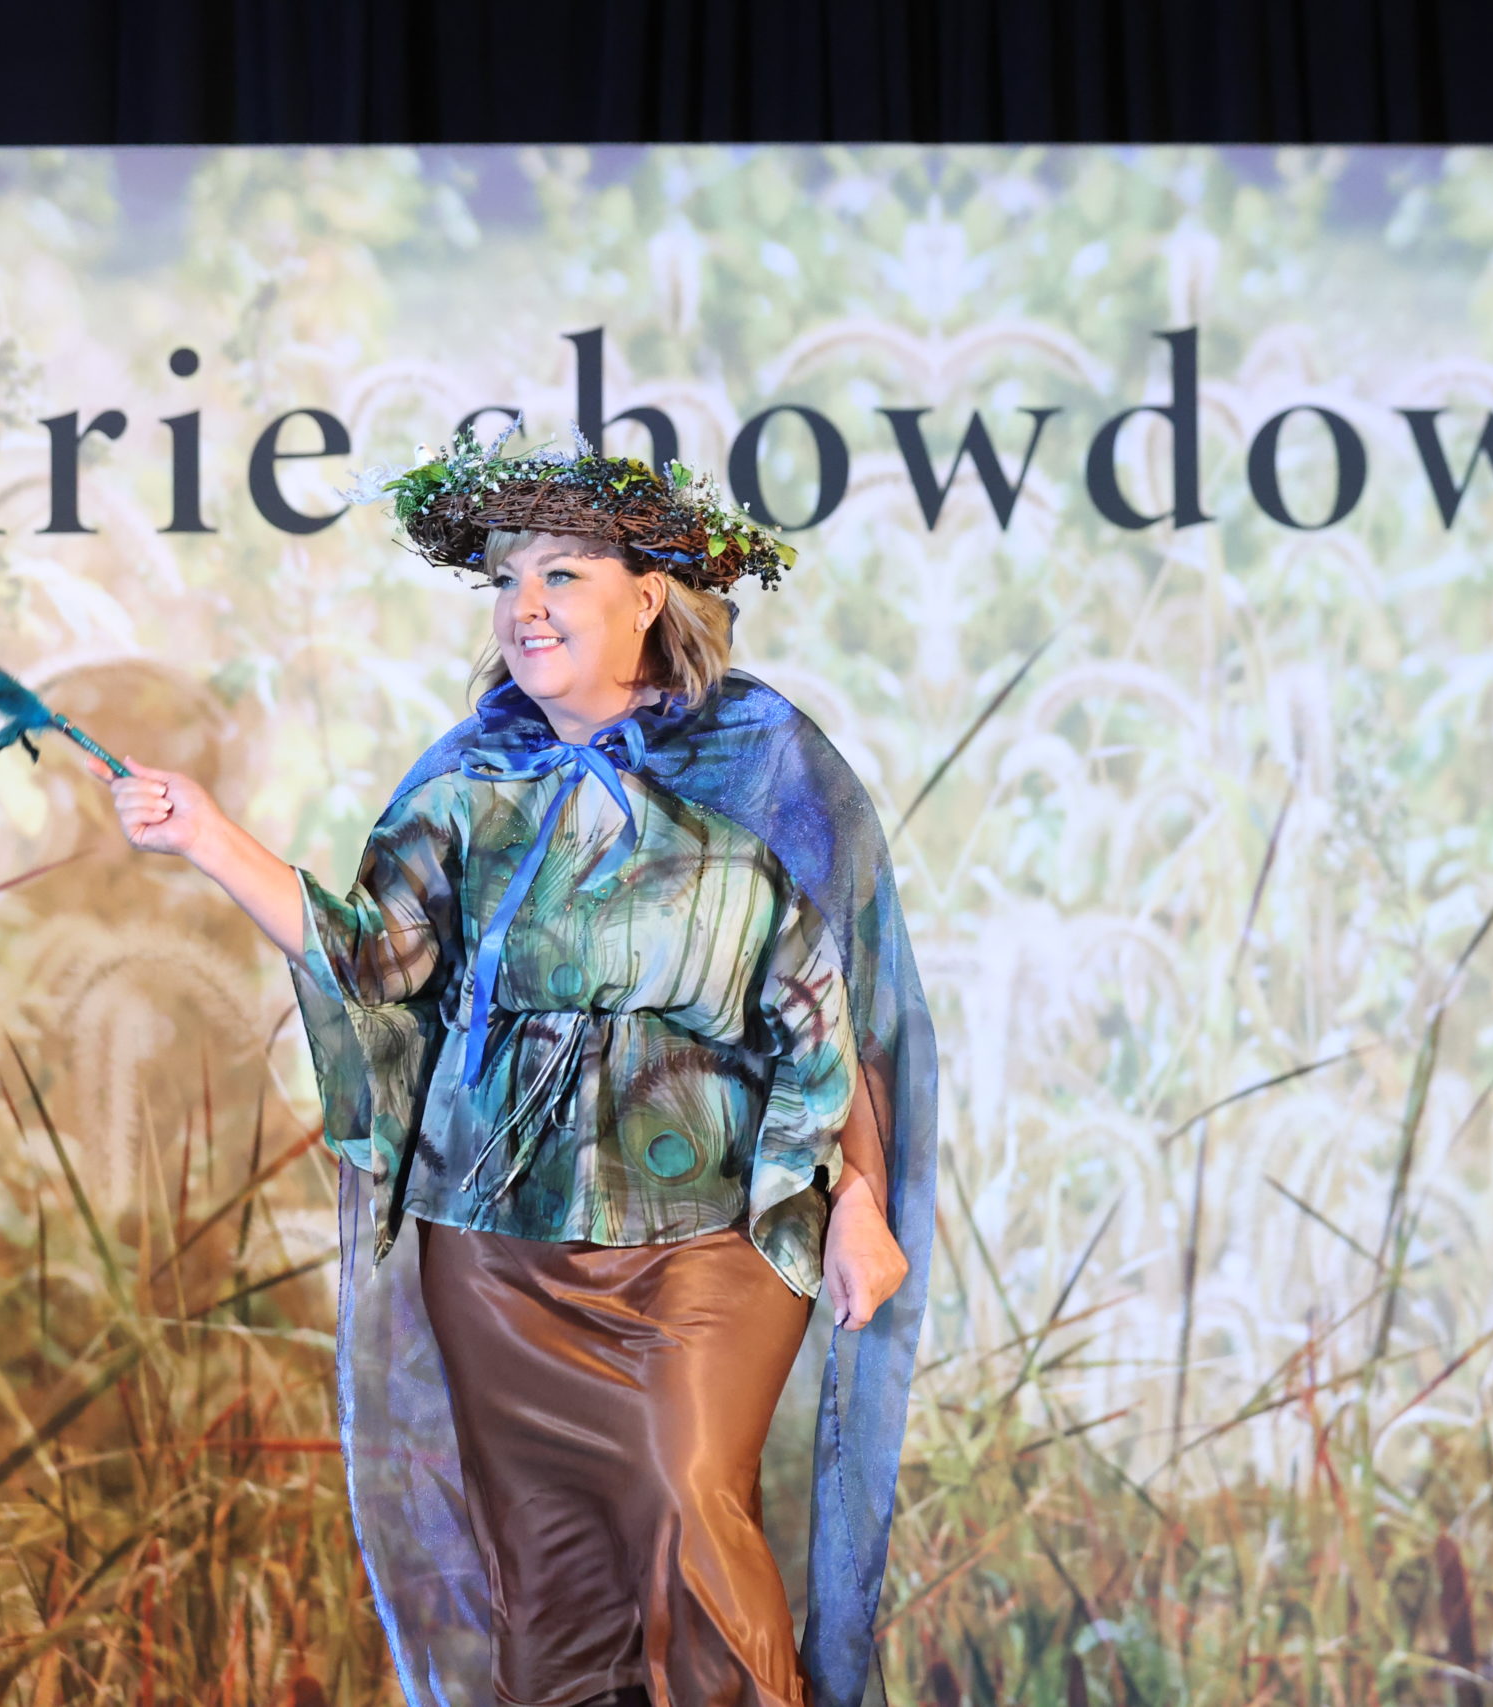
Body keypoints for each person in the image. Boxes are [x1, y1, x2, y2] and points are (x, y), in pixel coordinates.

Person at [86, 428, 937, 1707]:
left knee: (686, 1511)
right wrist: (207, 835)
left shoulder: (763, 766)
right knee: (544, 1581)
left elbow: (831, 1009)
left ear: (649, 597)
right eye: (505, 580)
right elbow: (373, 962)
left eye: (562, 577)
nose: (524, 608)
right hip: (494, 1248)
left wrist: (859, 1199)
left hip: (706, 1236)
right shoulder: (467, 781)